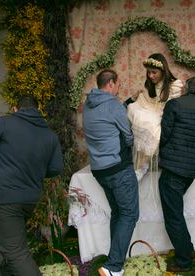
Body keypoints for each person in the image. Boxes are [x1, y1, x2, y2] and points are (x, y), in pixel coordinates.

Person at [0, 96, 64, 276]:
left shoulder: (4, 124)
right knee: (12, 249)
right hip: (29, 200)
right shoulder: (49, 134)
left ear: (15, 108)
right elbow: (56, 168)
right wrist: (34, 170)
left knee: (16, 253)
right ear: (38, 110)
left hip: (4, 198)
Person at [83, 69, 139, 276]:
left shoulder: (89, 105)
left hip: (99, 170)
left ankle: (114, 259)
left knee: (119, 213)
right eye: (118, 85)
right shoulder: (113, 105)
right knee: (130, 214)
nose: (118, 89)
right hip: (118, 168)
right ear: (111, 84)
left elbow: (105, 120)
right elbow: (128, 135)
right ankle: (113, 267)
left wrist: (126, 103)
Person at [158, 76, 195, 273]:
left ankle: (183, 262)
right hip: (189, 171)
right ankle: (187, 250)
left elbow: (164, 135)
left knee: (173, 217)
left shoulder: (175, 104)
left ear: (187, 88)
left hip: (173, 169)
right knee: (176, 213)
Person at [127, 53, 183, 180]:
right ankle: (141, 163)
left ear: (163, 71)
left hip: (163, 114)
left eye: (154, 72)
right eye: (148, 72)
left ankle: (143, 165)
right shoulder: (149, 85)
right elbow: (145, 100)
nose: (150, 76)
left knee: (152, 128)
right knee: (133, 110)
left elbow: (174, 107)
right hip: (150, 110)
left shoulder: (175, 85)